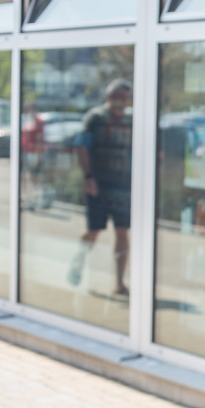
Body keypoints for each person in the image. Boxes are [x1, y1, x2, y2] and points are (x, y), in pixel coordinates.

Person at [68, 79, 133, 296]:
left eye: (126, 98)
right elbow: (82, 146)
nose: (123, 102)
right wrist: (88, 177)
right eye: (119, 97)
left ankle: (119, 282)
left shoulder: (131, 120)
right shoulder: (95, 118)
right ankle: (78, 261)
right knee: (94, 230)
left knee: (122, 233)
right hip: (99, 184)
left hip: (123, 186)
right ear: (109, 97)